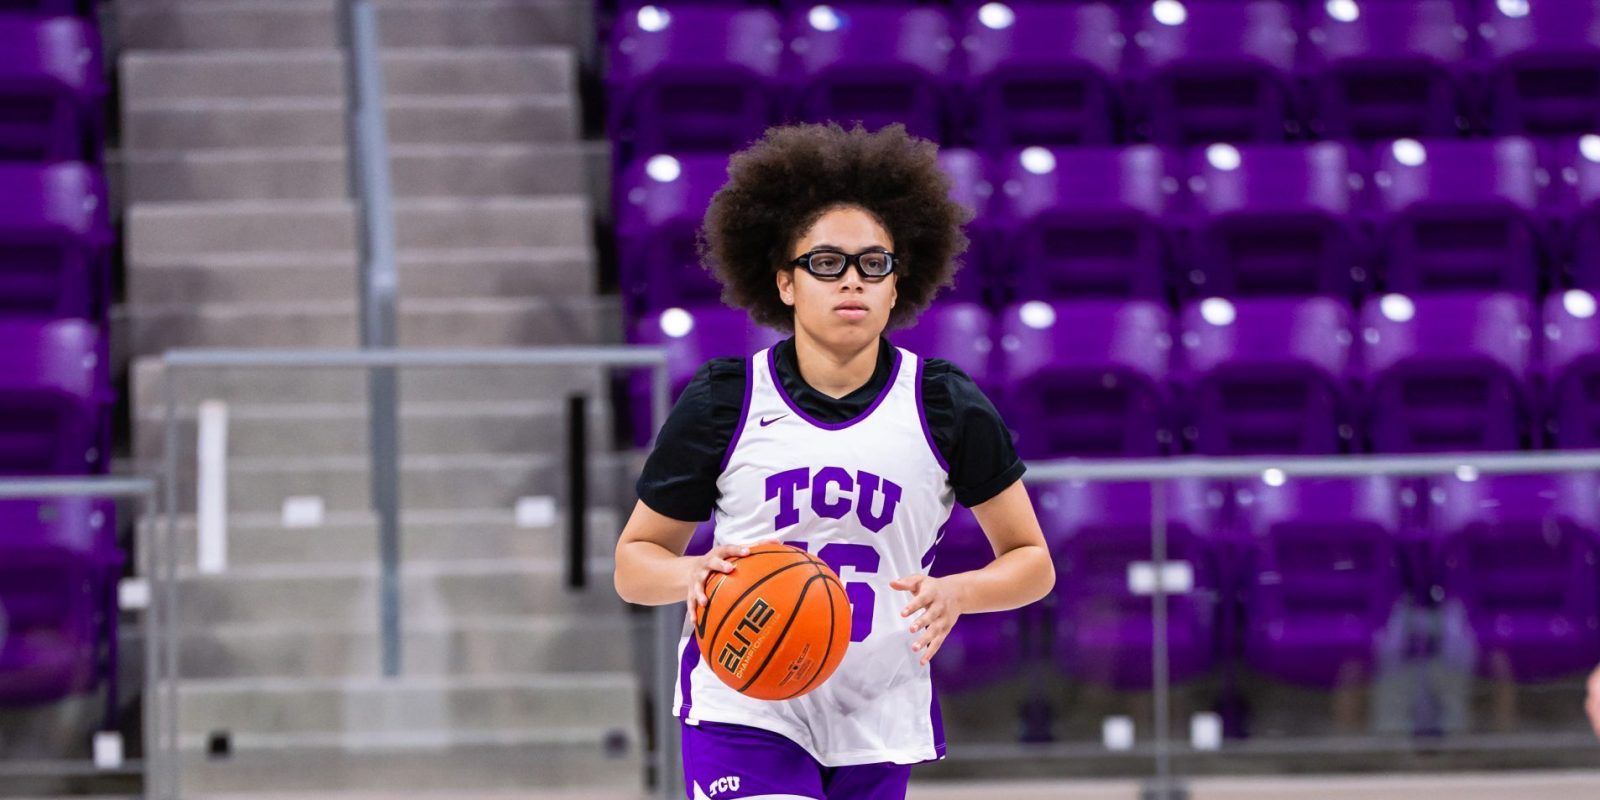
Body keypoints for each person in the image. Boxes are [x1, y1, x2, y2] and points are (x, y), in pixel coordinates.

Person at [612, 122, 1055, 800]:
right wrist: (691, 573)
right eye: (826, 263)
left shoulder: (943, 403)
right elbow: (633, 565)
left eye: (873, 264)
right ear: (785, 282)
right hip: (745, 702)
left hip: (877, 710)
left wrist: (959, 593)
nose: (852, 280)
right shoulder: (726, 399)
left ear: (896, 284)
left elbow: (1032, 563)